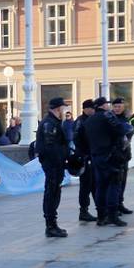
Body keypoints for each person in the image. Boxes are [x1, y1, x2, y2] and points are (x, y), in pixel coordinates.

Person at [85, 97, 130, 227]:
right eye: (107, 104)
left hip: (96, 156)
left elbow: (82, 138)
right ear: (103, 106)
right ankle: (113, 215)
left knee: (100, 186)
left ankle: (101, 216)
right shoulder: (107, 116)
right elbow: (120, 130)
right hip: (110, 156)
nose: (109, 107)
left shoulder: (90, 119)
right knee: (114, 185)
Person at [36, 98, 70, 238]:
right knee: (52, 192)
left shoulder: (54, 122)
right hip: (52, 164)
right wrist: (63, 156)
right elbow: (51, 147)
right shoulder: (49, 124)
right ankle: (50, 225)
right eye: (64, 108)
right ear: (58, 108)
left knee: (55, 192)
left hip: (56, 163)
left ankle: (52, 224)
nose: (65, 111)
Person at [74, 100, 97, 222]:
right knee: (86, 185)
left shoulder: (89, 120)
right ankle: (84, 210)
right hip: (84, 157)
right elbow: (78, 139)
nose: (93, 110)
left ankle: (99, 208)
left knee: (94, 184)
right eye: (91, 108)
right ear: (85, 109)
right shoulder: (80, 121)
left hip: (91, 155)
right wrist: (85, 153)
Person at [111, 99, 134, 216]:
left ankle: (120, 203)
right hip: (115, 154)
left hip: (124, 154)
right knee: (116, 182)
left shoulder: (125, 119)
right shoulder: (111, 119)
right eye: (115, 106)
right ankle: (115, 205)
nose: (117, 108)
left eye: (119, 106)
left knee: (123, 181)